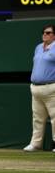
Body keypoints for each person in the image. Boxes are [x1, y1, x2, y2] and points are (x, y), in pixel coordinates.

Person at [23, 24, 55, 153]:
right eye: (44, 32)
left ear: (54, 35)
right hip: (36, 88)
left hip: (51, 88)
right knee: (37, 118)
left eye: (48, 32)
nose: (45, 34)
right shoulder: (38, 48)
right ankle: (36, 144)